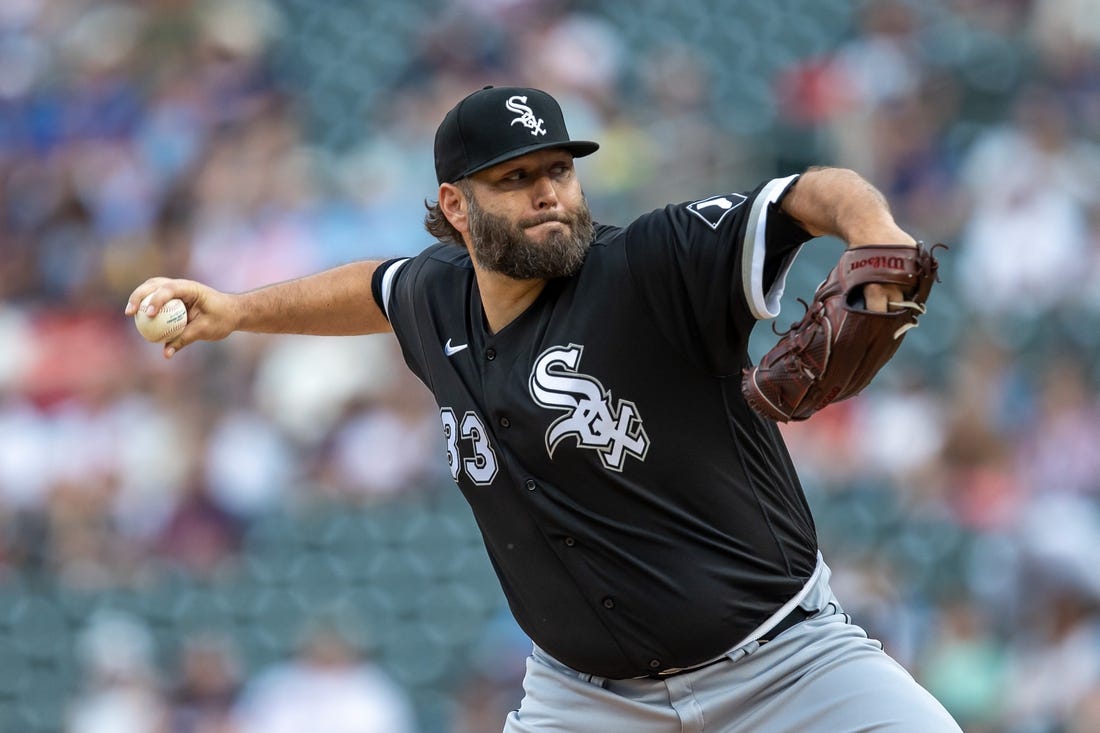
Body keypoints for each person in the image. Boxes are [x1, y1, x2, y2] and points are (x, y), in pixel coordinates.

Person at [127, 85, 962, 732]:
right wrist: (237, 310)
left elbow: (811, 192)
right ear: (456, 206)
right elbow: (372, 287)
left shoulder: (652, 263)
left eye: (558, 169)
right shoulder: (437, 297)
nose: (549, 194)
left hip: (788, 666)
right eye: (516, 178)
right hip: (586, 700)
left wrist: (874, 237)